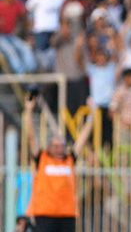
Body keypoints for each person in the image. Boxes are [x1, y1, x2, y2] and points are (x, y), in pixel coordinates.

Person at [23, 93, 94, 232]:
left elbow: (83, 139)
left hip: (67, 214)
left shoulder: (69, 159)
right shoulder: (42, 158)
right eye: (55, 145)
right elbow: (31, 136)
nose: (59, 148)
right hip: (44, 214)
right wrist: (29, 110)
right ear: (49, 147)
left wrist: (91, 116)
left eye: (61, 145)